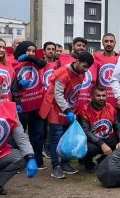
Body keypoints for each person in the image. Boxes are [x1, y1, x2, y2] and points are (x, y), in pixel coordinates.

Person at [40, 51, 95, 179]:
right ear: (77, 62)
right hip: (56, 108)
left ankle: (65, 163)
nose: (86, 70)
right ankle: (56, 166)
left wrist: (71, 110)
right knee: (57, 137)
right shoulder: (62, 73)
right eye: (84, 66)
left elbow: (74, 94)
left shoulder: (81, 73)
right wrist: (68, 111)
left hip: (68, 109)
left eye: (88, 68)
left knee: (67, 137)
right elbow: (58, 95)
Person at [14, 41, 48, 170]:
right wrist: (18, 84)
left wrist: (30, 57)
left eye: (34, 51)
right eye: (28, 50)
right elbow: (12, 86)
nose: (31, 53)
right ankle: (18, 163)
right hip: (22, 106)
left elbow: (42, 63)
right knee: (19, 135)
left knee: (38, 135)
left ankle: (38, 160)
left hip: (37, 105)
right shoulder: (15, 63)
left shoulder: (35, 62)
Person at [77, 86, 120, 173]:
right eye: (98, 96)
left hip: (108, 138)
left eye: (103, 96)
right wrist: (101, 144)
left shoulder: (111, 108)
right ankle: (88, 163)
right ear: (92, 96)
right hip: (92, 141)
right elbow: (86, 131)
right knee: (90, 148)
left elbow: (119, 127)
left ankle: (103, 159)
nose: (101, 98)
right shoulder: (85, 109)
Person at [0, 38, 17, 104]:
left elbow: (13, 87)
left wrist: (17, 101)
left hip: (6, 103)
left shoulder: (8, 66)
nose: (2, 50)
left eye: (4, 48)